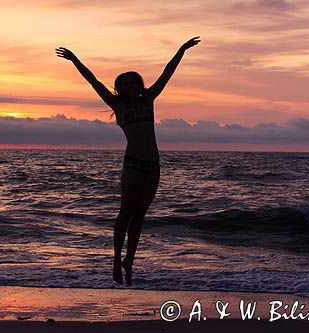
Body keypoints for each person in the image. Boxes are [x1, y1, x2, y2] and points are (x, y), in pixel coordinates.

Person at [55, 36, 201, 285]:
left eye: (132, 83)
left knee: (140, 215)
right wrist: (74, 59)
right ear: (119, 88)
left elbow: (168, 73)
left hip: (153, 165)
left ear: (138, 85)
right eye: (123, 84)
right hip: (133, 164)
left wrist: (181, 50)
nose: (128, 87)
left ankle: (129, 260)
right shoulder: (117, 105)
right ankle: (115, 258)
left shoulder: (149, 100)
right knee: (125, 212)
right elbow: (93, 81)